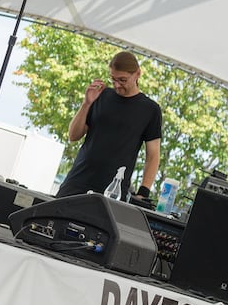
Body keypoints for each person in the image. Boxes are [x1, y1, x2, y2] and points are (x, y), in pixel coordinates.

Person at [56, 50, 162, 201]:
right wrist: (86, 104)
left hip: (113, 190)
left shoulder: (150, 109)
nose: (117, 85)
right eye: (113, 79)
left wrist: (143, 192)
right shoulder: (101, 96)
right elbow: (73, 136)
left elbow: (153, 155)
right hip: (76, 182)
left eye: (123, 80)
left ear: (137, 74)